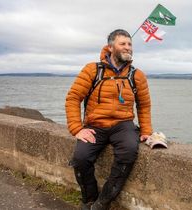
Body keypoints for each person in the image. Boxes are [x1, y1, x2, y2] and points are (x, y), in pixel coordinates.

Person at [65, 29, 152, 210]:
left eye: (129, 44)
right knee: (81, 159)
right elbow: (73, 98)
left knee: (128, 152)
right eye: (123, 44)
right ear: (111, 47)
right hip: (95, 124)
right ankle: (89, 199)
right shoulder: (92, 70)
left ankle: (103, 202)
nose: (128, 47)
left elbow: (143, 105)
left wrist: (146, 131)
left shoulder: (137, 75)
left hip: (123, 125)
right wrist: (77, 128)